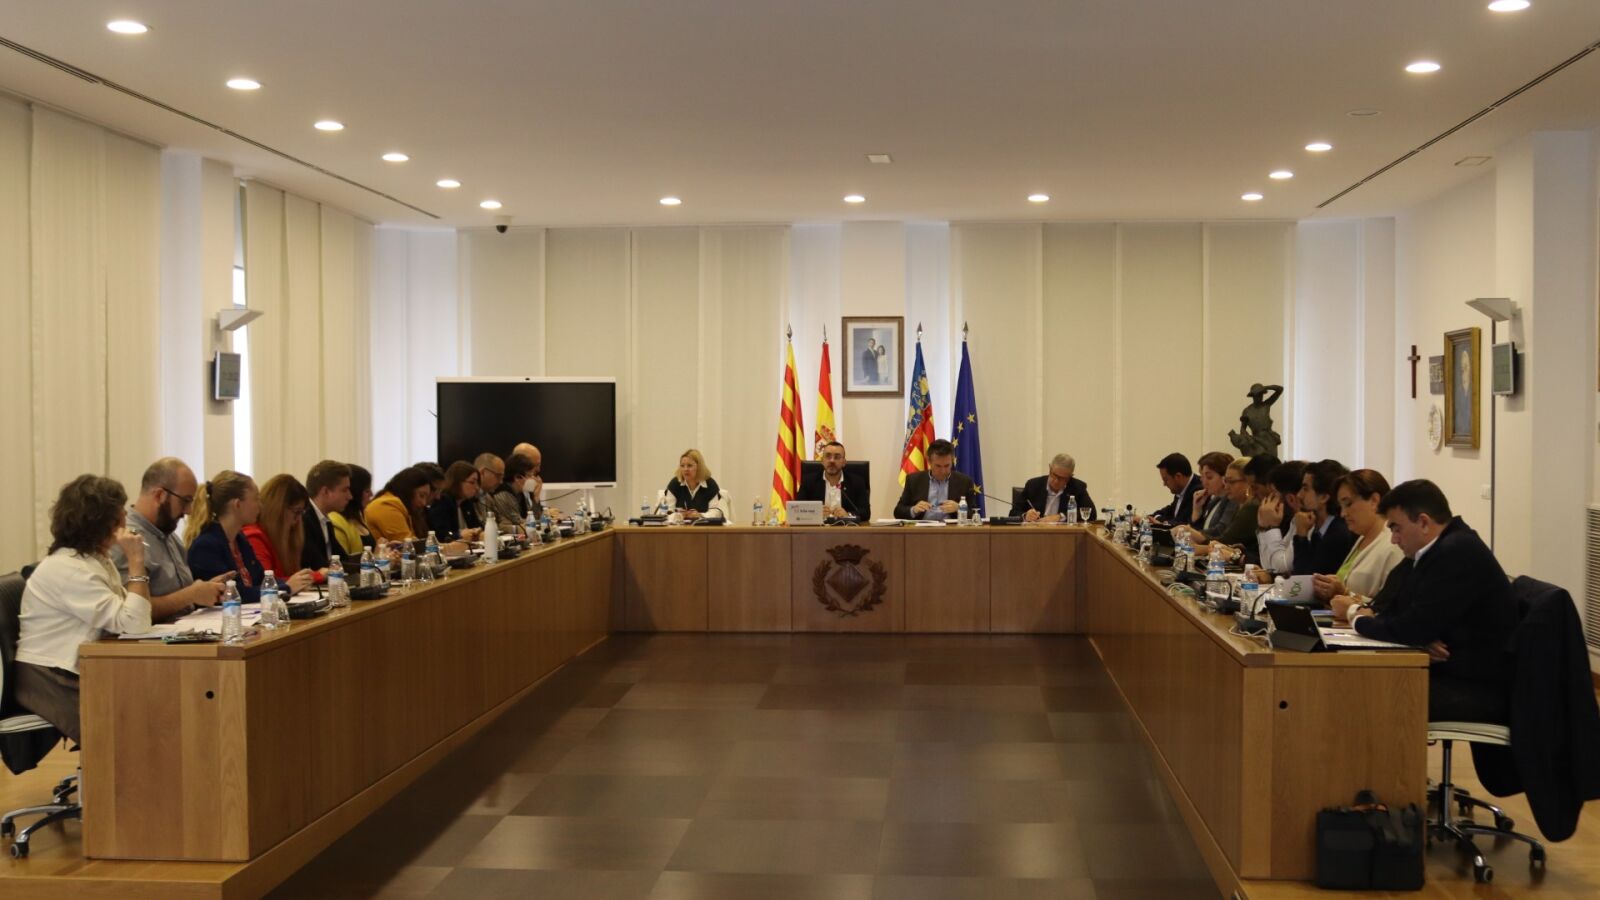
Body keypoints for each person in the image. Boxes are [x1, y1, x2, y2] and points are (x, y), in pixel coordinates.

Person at [1341, 480, 1518, 723]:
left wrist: (1356, 618)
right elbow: (1394, 608)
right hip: (1454, 674)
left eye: (1396, 528)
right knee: (1363, 687)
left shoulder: (1456, 551)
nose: (1393, 539)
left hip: (1476, 688)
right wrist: (1416, 636)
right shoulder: (1433, 550)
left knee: (1370, 695)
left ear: (1423, 522)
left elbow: (1412, 626)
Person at [16, 475, 153, 743]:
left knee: (147, 698)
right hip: (50, 676)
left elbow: (136, 618)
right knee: (132, 717)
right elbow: (135, 623)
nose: (126, 517)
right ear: (101, 522)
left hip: (70, 668)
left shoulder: (94, 561)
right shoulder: (69, 569)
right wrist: (136, 560)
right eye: (119, 512)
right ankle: (115, 770)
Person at [108, 457, 228, 621]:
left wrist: (205, 591)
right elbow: (131, 611)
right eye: (185, 501)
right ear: (160, 495)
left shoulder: (171, 537)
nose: (189, 511)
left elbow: (183, 598)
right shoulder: (125, 539)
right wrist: (190, 595)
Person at [1316, 469, 1405, 603]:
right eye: (1341, 506)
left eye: (1348, 504)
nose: (1343, 514)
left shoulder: (1393, 544)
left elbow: (1390, 606)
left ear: (1374, 500)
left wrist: (1344, 593)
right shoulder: (1362, 538)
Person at [185, 470, 266, 603]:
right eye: (256, 499)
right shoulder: (205, 547)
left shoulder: (240, 540)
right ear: (237, 504)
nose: (260, 506)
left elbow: (261, 579)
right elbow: (233, 593)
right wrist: (282, 589)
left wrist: (283, 587)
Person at [242, 475, 318, 593]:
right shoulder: (254, 537)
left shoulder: (285, 535)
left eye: (301, 513)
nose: (298, 520)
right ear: (277, 510)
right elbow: (265, 582)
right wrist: (315, 577)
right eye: (296, 512)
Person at [1180, 457, 1258, 562]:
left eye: (1231, 482)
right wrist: (1196, 513)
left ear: (1248, 482)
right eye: (1226, 481)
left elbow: (1225, 539)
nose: (1226, 486)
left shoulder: (1251, 507)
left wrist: (1200, 545)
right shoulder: (1216, 500)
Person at [1292, 459, 1355, 576]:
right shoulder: (1320, 528)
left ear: (1324, 497)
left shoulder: (1338, 534)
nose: (1299, 495)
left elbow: (1305, 579)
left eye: (1305, 489)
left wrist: (1301, 536)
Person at [894, 439, 980, 521]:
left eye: (947, 466)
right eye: (938, 466)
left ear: (952, 460)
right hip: (922, 529)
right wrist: (914, 510)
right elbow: (898, 512)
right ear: (929, 461)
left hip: (952, 529)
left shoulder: (964, 482)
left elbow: (974, 513)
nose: (943, 471)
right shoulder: (914, 480)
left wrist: (959, 508)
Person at [796, 440, 871, 520]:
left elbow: (866, 512)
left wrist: (848, 514)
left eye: (837, 457)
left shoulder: (857, 482)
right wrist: (815, 513)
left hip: (845, 527)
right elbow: (797, 510)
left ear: (844, 462)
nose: (832, 461)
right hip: (818, 528)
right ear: (822, 461)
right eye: (828, 456)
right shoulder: (809, 481)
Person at [1011, 453, 1096, 523]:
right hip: (1035, 533)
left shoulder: (1077, 487)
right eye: (1054, 475)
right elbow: (1013, 513)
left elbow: (1091, 514)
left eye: (1062, 478)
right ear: (1050, 468)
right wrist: (1025, 516)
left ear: (1070, 476)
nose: (1056, 481)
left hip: (1063, 535)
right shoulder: (1033, 485)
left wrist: (1061, 517)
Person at [1255, 459, 1306, 575]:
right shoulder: (1295, 520)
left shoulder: (1307, 523)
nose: (1269, 500)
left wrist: (1271, 528)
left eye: (1274, 495)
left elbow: (1282, 567)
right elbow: (1269, 567)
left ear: (1290, 499)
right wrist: (1264, 528)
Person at [302, 460, 352, 571]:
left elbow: (343, 561)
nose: (350, 496)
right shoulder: (304, 520)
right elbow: (318, 565)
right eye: (345, 490)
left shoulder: (325, 520)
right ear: (325, 491)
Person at [365, 466, 433, 544]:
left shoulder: (400, 506)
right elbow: (409, 544)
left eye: (426, 497)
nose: (424, 503)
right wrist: (444, 547)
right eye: (421, 495)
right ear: (407, 490)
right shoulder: (387, 505)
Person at [426, 461, 485, 542]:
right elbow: (442, 535)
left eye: (477, 483)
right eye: (472, 482)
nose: (477, 487)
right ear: (457, 482)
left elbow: (477, 526)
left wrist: (477, 531)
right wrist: (459, 535)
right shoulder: (442, 502)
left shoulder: (467, 503)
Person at [1185, 451, 1237, 538]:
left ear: (1225, 477)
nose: (1204, 482)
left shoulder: (1233, 500)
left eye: (1209, 477)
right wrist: (1197, 510)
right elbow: (1200, 528)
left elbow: (1220, 530)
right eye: (1202, 476)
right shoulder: (1214, 500)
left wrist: (1188, 532)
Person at [665, 449, 728, 520]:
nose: (685, 469)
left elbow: (716, 512)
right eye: (682, 466)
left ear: (699, 467)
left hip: (704, 526)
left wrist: (700, 515)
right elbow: (667, 512)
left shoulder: (710, 484)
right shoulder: (675, 483)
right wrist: (678, 515)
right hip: (680, 526)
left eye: (689, 466)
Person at [329, 464, 375, 556]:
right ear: (355, 493)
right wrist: (377, 557)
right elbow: (343, 561)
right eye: (367, 491)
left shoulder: (359, 516)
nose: (371, 494)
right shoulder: (335, 521)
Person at [487, 453, 537, 530]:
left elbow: (535, 517)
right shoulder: (503, 495)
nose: (533, 479)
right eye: (530, 476)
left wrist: (536, 497)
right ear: (518, 477)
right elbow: (519, 522)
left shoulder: (523, 493)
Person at [1150, 453, 1200, 525]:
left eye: (1166, 480)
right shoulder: (1181, 489)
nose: (1164, 484)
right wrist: (1150, 518)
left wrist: (1162, 523)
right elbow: (1170, 511)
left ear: (1178, 477)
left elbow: (1182, 522)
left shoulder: (1197, 491)